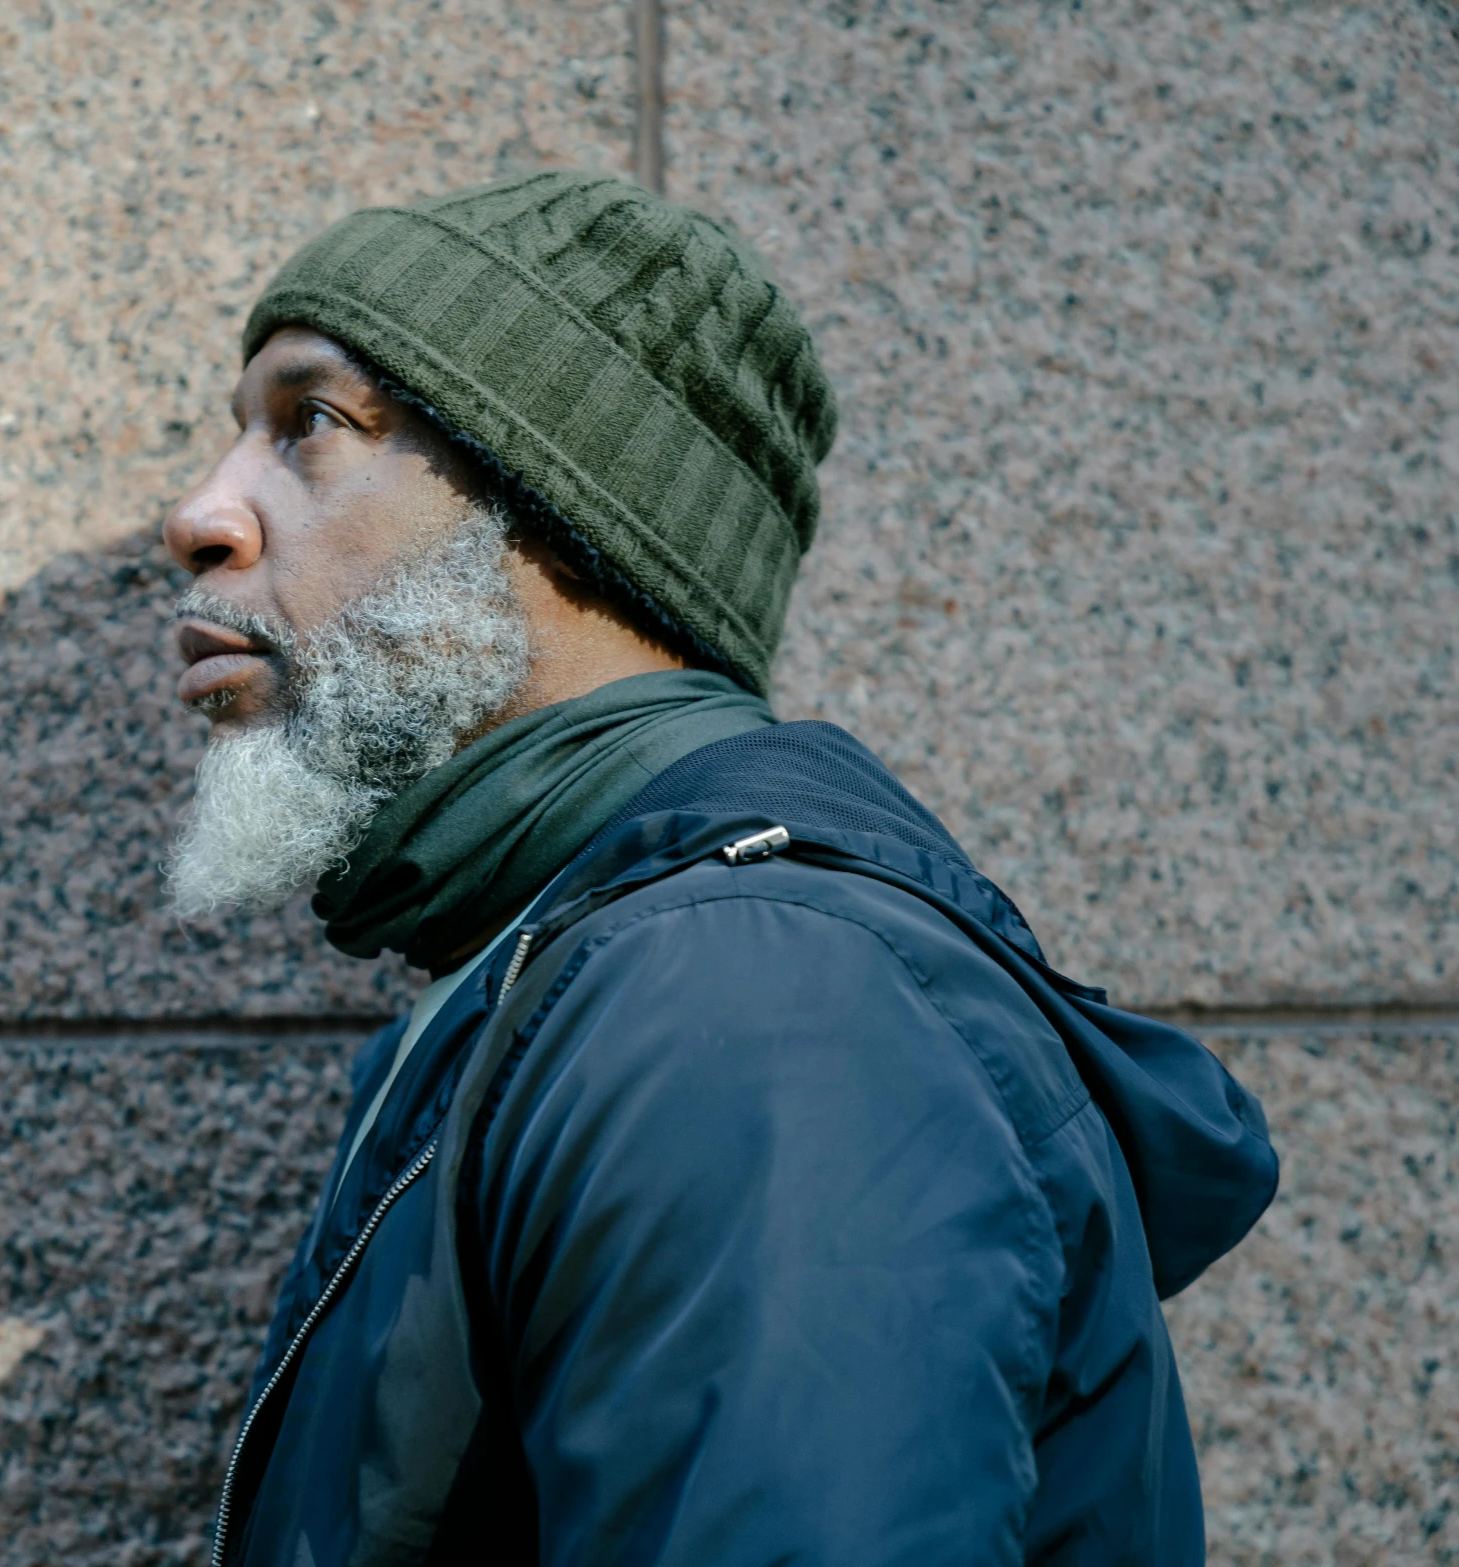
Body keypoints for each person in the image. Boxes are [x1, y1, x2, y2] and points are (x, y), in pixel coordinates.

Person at [160, 171, 1279, 1566]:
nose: (200, 515)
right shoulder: (600, 986)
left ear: (561, 501)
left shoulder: (746, 1002)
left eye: (310, 423)